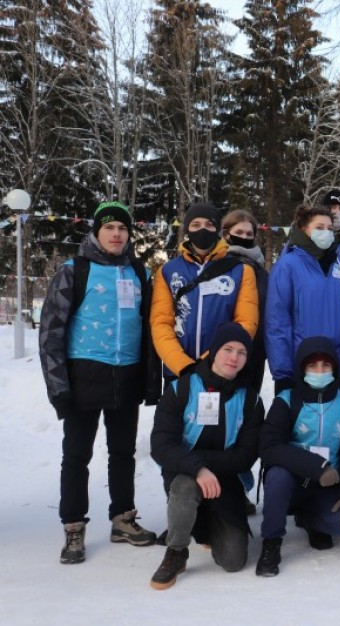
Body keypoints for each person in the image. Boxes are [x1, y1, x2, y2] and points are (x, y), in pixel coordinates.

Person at [40, 201, 160, 564]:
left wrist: (150, 380)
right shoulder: (74, 270)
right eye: (109, 228)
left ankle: (123, 519)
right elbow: (50, 333)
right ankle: (73, 526)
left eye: (122, 228)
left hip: (127, 375)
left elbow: (150, 329)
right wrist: (58, 388)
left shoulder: (139, 273)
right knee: (77, 455)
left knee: (123, 453)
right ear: (96, 232)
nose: (116, 234)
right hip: (84, 376)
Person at [148, 323, 264, 589]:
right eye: (228, 349)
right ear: (213, 351)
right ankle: (176, 552)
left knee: (233, 561)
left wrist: (203, 463)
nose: (234, 358)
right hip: (186, 475)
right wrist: (198, 469)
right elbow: (161, 445)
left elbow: (246, 456)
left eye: (242, 353)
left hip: (227, 481)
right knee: (185, 485)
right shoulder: (181, 389)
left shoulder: (251, 400)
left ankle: (206, 522)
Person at [255, 336, 340, 577]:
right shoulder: (286, 400)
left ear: (334, 368)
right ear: (302, 369)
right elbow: (269, 446)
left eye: (326, 365)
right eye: (312, 365)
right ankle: (271, 542)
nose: (319, 371)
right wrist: (317, 466)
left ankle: (310, 519)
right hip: (292, 483)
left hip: (329, 485)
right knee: (277, 476)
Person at [151, 202, 259, 379]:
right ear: (187, 229)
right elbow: (161, 323)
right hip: (179, 372)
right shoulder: (168, 271)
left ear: (218, 229)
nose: (203, 229)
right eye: (196, 224)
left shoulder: (241, 271)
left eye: (209, 224)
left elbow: (246, 323)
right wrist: (182, 365)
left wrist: (210, 363)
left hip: (222, 370)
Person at [266, 204, 340, 389]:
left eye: (330, 228)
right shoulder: (287, 265)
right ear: (303, 229)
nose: (326, 233)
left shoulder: (339, 265)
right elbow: (277, 321)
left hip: (335, 365)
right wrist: (283, 372)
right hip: (301, 365)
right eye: (319, 227)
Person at [220, 210, 268, 392]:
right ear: (226, 234)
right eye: (239, 232)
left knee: (249, 403)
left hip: (255, 351)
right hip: (223, 351)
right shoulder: (217, 265)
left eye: (249, 234)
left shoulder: (261, 272)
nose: (244, 237)